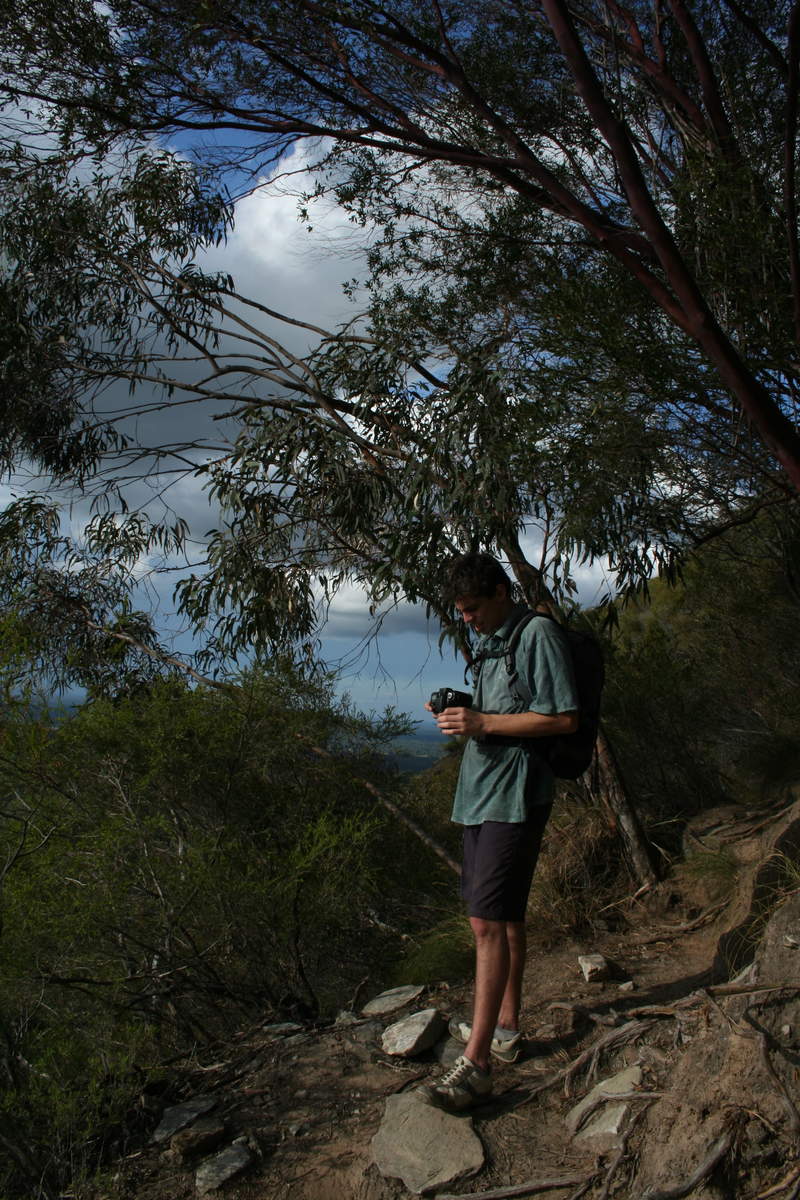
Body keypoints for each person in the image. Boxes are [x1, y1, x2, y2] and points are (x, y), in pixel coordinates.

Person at [418, 553, 578, 1112]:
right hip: (482, 793)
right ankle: (506, 1024)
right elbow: (504, 709)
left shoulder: (536, 634)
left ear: (501, 592)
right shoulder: (491, 640)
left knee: (486, 920)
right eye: (461, 612)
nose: (468, 620)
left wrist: (483, 722)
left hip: (516, 795)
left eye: (474, 608)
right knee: (503, 916)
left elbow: (563, 717)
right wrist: (466, 709)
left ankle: (479, 1064)